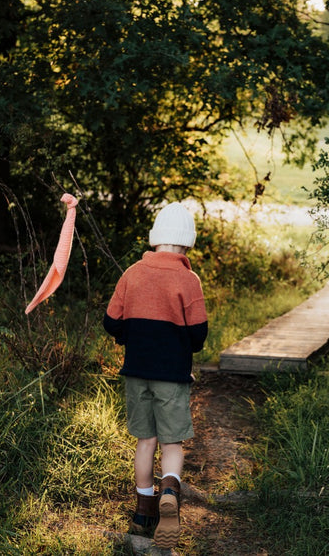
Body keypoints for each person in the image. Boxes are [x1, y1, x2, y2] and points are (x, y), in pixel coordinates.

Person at [103, 201, 208, 549]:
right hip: (172, 376)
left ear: (154, 238)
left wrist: (127, 337)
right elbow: (199, 333)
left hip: (136, 373)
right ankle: (169, 490)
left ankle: (143, 512)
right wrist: (181, 346)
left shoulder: (132, 273)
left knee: (145, 441)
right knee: (171, 442)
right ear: (187, 243)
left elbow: (111, 322)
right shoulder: (188, 279)